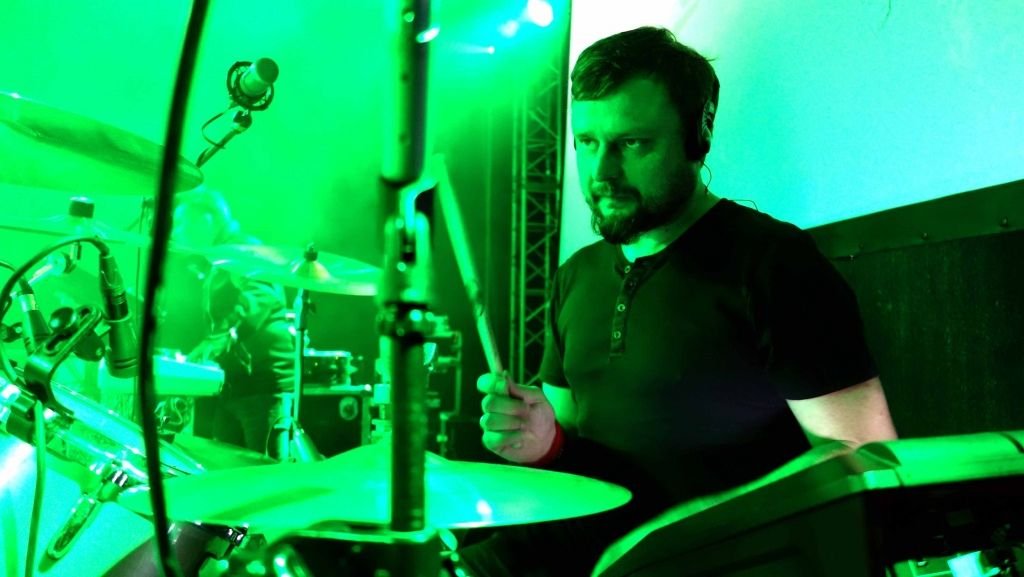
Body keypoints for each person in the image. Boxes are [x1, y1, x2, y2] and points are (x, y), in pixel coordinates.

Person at [460, 26, 897, 577]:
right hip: (594, 558)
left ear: (698, 135)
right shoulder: (576, 276)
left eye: (632, 144)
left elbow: (865, 464)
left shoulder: (773, 264)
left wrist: (693, 527)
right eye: (587, 142)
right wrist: (544, 444)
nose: (602, 172)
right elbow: (575, 464)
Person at [158, 187, 295, 459]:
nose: (176, 231)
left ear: (208, 219)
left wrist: (220, 339)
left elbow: (261, 298)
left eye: (183, 222)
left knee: (265, 474)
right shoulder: (219, 258)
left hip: (261, 386)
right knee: (230, 470)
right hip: (234, 385)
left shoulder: (242, 250)